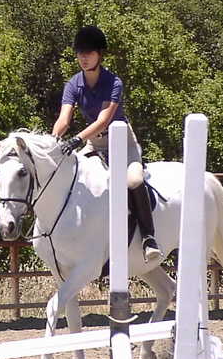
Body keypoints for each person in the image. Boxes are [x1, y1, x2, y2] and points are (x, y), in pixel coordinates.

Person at [51, 25, 160, 262]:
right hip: (94, 145)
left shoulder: (113, 83)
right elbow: (64, 119)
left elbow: (103, 121)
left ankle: (148, 238)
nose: (83, 58)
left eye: (89, 53)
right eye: (80, 53)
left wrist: (77, 139)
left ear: (99, 54)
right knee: (75, 178)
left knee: (134, 180)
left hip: (123, 144)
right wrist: (53, 141)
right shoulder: (73, 84)